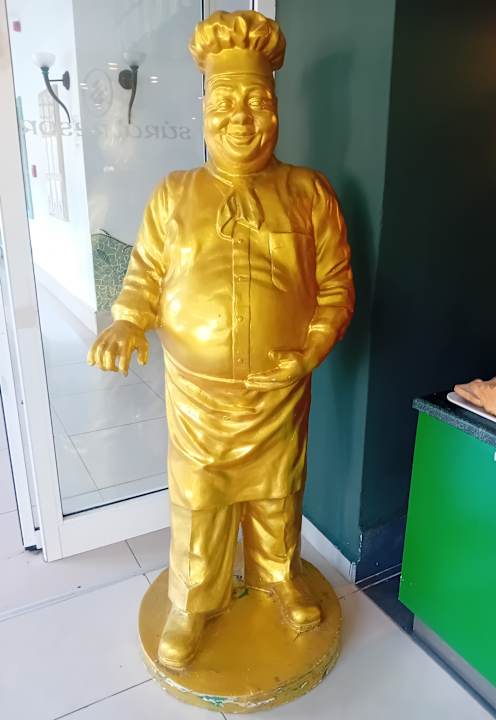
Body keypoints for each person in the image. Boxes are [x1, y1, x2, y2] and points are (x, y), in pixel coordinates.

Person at [88, 9, 354, 670]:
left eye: (257, 101)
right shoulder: (174, 195)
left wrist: (307, 354)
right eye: (226, 101)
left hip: (280, 391)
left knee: (278, 493)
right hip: (198, 400)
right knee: (200, 502)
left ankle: (278, 578)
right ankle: (194, 603)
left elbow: (336, 288)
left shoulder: (309, 193)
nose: (241, 117)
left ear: (277, 107)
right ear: (204, 108)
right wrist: (126, 320)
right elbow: (144, 276)